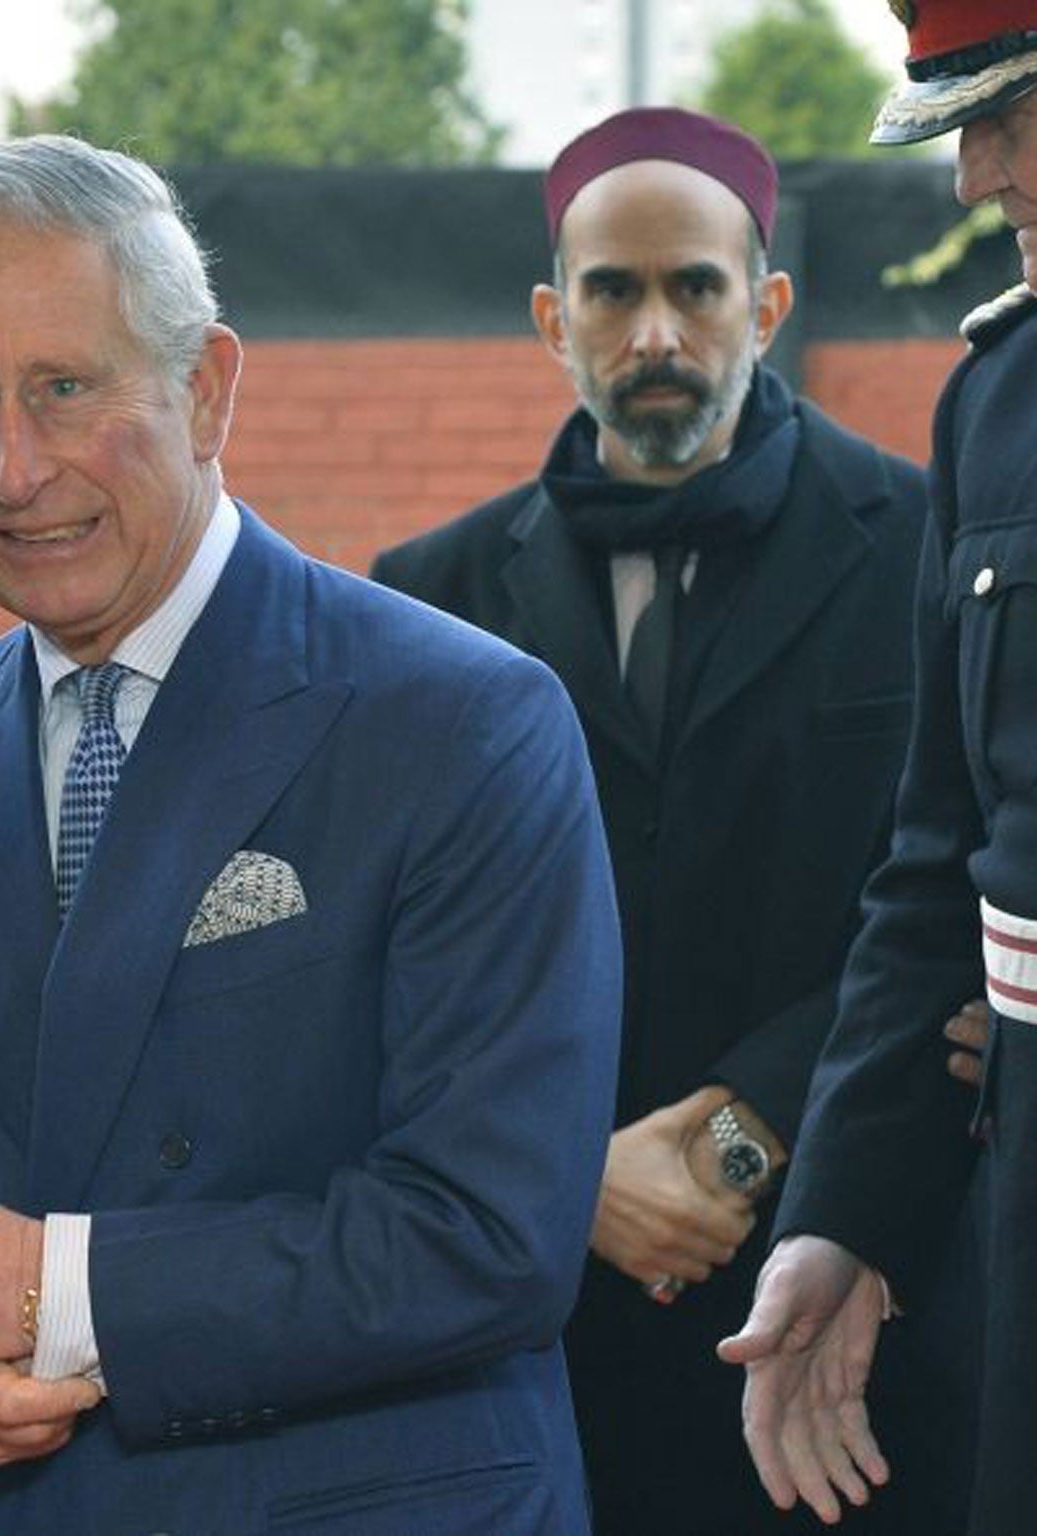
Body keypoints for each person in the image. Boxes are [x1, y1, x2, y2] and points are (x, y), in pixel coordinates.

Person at [0, 133, 622, 1533]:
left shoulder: (463, 724)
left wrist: (53, 1298)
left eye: (64, 388)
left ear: (208, 388)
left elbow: (489, 1234)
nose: (12, 466)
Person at [370, 108, 941, 1533]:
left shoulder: (924, 548)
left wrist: (750, 1125)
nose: (659, 332)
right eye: (615, 293)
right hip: (540, 1352)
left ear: (769, 302)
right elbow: (398, 971)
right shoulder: (427, 597)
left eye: (697, 286)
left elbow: (939, 896)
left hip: (854, 1312)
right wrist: (569, 1184)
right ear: (553, 318)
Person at [723, 8, 1037, 1533]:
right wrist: (840, 1212)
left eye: (1020, 111)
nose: (982, 176)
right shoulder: (1001, 406)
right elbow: (937, 862)